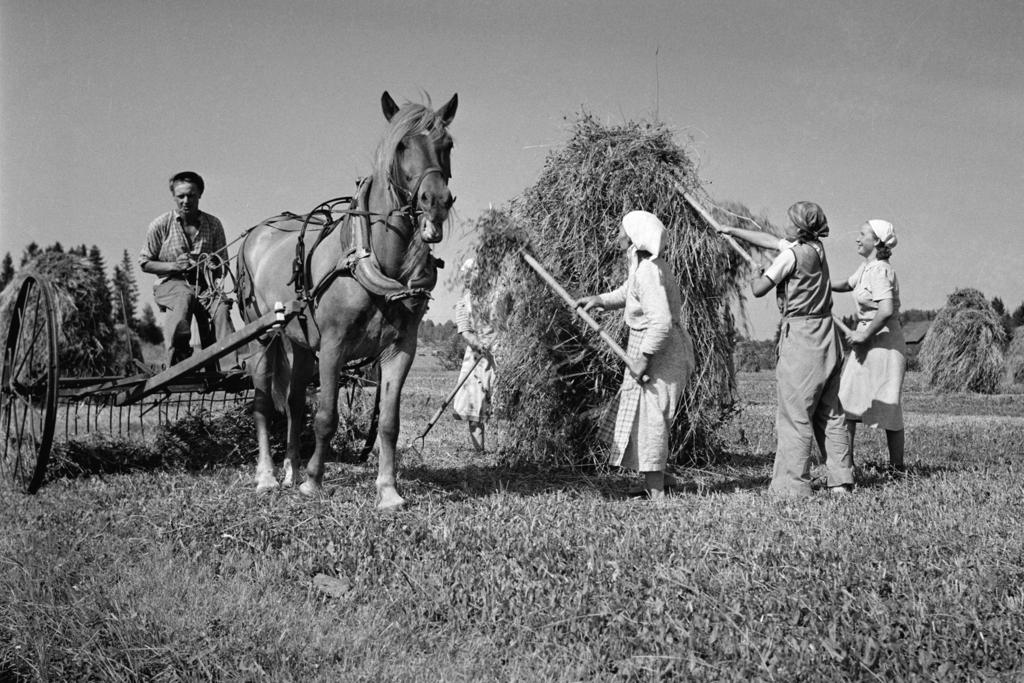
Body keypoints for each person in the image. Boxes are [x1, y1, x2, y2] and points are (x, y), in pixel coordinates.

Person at [716, 201, 854, 496]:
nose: (786, 224)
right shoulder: (816, 248)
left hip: (802, 338)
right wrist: (732, 230)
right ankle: (841, 480)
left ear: (800, 227)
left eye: (790, 220)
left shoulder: (790, 256)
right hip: (826, 335)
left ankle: (793, 486)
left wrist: (756, 271)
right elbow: (770, 240)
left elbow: (759, 289)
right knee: (830, 412)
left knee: (796, 413)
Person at [577, 211, 694, 500]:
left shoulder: (649, 272)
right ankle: (654, 480)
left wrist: (644, 358)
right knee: (642, 418)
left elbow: (662, 323)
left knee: (653, 420)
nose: (617, 236)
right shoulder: (641, 267)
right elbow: (627, 293)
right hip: (651, 348)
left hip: (662, 353)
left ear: (634, 238)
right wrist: (600, 300)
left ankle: (656, 491)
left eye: (621, 232)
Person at [139, 171, 235, 369]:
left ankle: (228, 367)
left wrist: (212, 265)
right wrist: (174, 265)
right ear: (173, 196)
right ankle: (179, 361)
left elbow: (222, 265)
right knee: (184, 296)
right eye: (180, 196)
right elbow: (145, 263)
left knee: (221, 306)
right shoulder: (160, 225)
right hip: (170, 284)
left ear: (200, 194)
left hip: (205, 286)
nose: (185, 200)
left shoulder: (214, 224)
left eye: (191, 195)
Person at [832, 219, 906, 472]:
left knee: (889, 404)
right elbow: (846, 285)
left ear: (876, 241)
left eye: (861, 234)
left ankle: (897, 469)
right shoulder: (866, 267)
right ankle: (846, 466)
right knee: (847, 399)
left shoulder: (881, 271)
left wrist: (864, 336)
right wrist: (817, 284)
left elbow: (885, 310)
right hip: (865, 340)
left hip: (885, 343)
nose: (856, 238)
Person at [452, 258, 497, 452]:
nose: (468, 280)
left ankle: (506, 451)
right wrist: (480, 345)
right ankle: (480, 452)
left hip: (502, 354)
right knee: (475, 406)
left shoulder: (497, 297)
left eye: (471, 275)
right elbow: (465, 331)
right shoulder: (464, 303)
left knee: (501, 403)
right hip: (478, 359)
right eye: (466, 276)